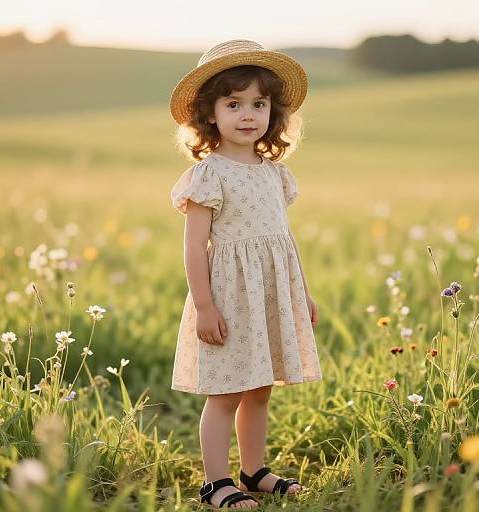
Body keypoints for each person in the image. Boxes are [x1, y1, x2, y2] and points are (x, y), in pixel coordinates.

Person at [169, 39, 322, 509]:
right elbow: (195, 245)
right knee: (227, 392)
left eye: (259, 103)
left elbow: (284, 238)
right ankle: (215, 482)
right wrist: (205, 306)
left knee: (259, 388)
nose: (248, 114)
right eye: (233, 104)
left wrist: (305, 294)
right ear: (210, 113)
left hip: (271, 293)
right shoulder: (209, 174)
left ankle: (253, 471)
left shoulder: (274, 172)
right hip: (230, 296)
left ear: (273, 112)